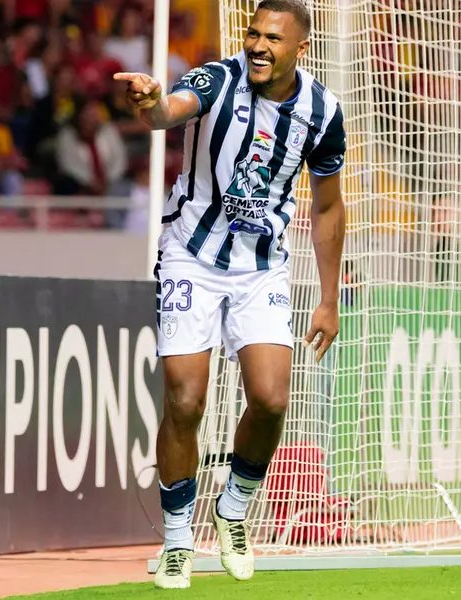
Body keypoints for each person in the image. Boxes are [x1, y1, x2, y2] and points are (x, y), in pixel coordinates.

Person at [113, 0, 346, 589]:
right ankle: (176, 543)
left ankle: (234, 511)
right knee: (186, 401)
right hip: (192, 254)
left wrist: (329, 296)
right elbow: (170, 110)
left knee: (270, 399)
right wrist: (149, 99)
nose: (259, 46)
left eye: (273, 38)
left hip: (262, 267)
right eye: (253, 34)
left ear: (301, 48)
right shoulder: (219, 78)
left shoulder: (322, 110)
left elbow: (326, 204)